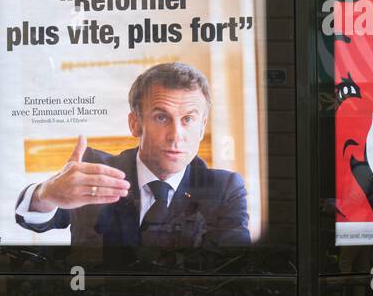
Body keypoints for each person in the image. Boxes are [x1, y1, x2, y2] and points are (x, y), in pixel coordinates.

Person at [14, 61, 250, 248]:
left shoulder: (224, 188)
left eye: (188, 119)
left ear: (201, 126)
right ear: (135, 124)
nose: (176, 135)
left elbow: (234, 268)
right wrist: (46, 194)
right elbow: (32, 219)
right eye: (161, 117)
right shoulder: (96, 169)